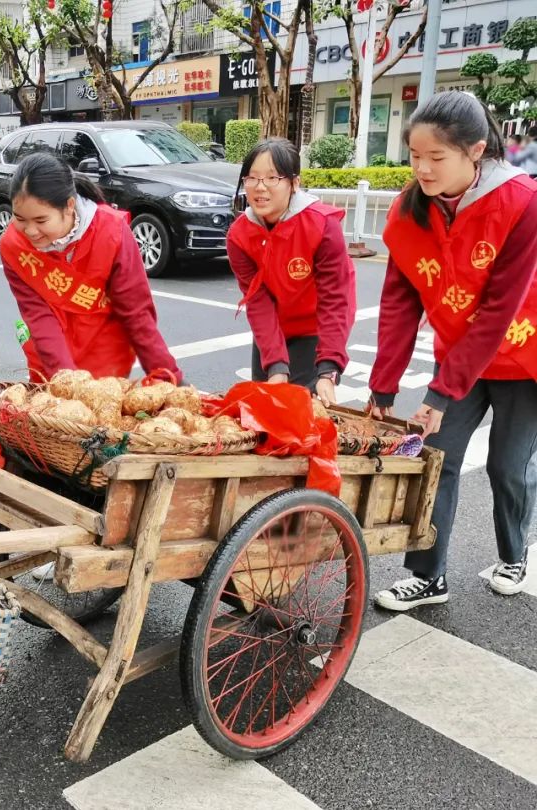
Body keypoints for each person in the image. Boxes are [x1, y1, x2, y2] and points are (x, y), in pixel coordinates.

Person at [369, 91, 537, 611]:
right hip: (459, 355)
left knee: (507, 468)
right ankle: (428, 576)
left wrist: (439, 395)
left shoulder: (523, 204)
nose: (421, 168)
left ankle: (513, 553)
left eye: (436, 158)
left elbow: (498, 311)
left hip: (521, 357)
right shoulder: (410, 208)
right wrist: (383, 385)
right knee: (435, 459)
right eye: (415, 156)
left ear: (477, 151)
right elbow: (399, 301)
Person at [0, 152, 182, 383]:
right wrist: (66, 380)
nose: (30, 231)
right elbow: (38, 315)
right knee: (56, 415)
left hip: (104, 355)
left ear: (69, 206)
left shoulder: (111, 232)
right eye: (20, 219)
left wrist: (168, 376)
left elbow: (136, 312)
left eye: (41, 221)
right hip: (50, 357)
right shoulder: (14, 245)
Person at [226, 138, 356, 403]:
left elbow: (335, 300)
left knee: (302, 417)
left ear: (294, 184)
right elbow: (258, 301)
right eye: (252, 178)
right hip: (273, 328)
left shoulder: (321, 226)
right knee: (266, 414)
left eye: (272, 178)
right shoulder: (239, 235)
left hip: (313, 330)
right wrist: (275, 365)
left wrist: (328, 368)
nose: (260, 187)